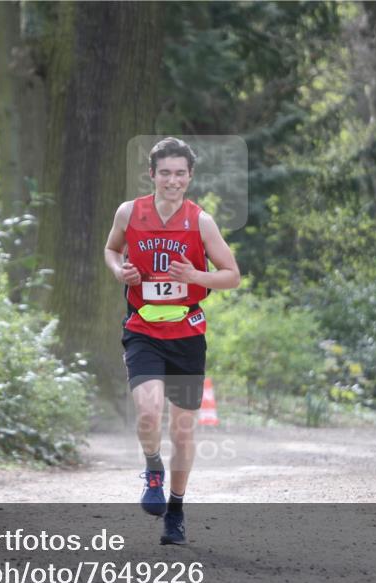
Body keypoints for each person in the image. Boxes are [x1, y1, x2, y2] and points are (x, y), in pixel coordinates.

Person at [103, 137, 241, 545]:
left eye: (180, 173)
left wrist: (196, 277)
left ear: (190, 177)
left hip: (187, 336)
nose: (173, 180)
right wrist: (119, 272)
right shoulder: (129, 212)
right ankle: (152, 469)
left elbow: (231, 275)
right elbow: (111, 249)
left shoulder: (201, 221)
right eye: (165, 173)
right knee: (148, 412)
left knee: (182, 432)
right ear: (152, 175)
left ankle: (176, 511)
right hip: (143, 330)